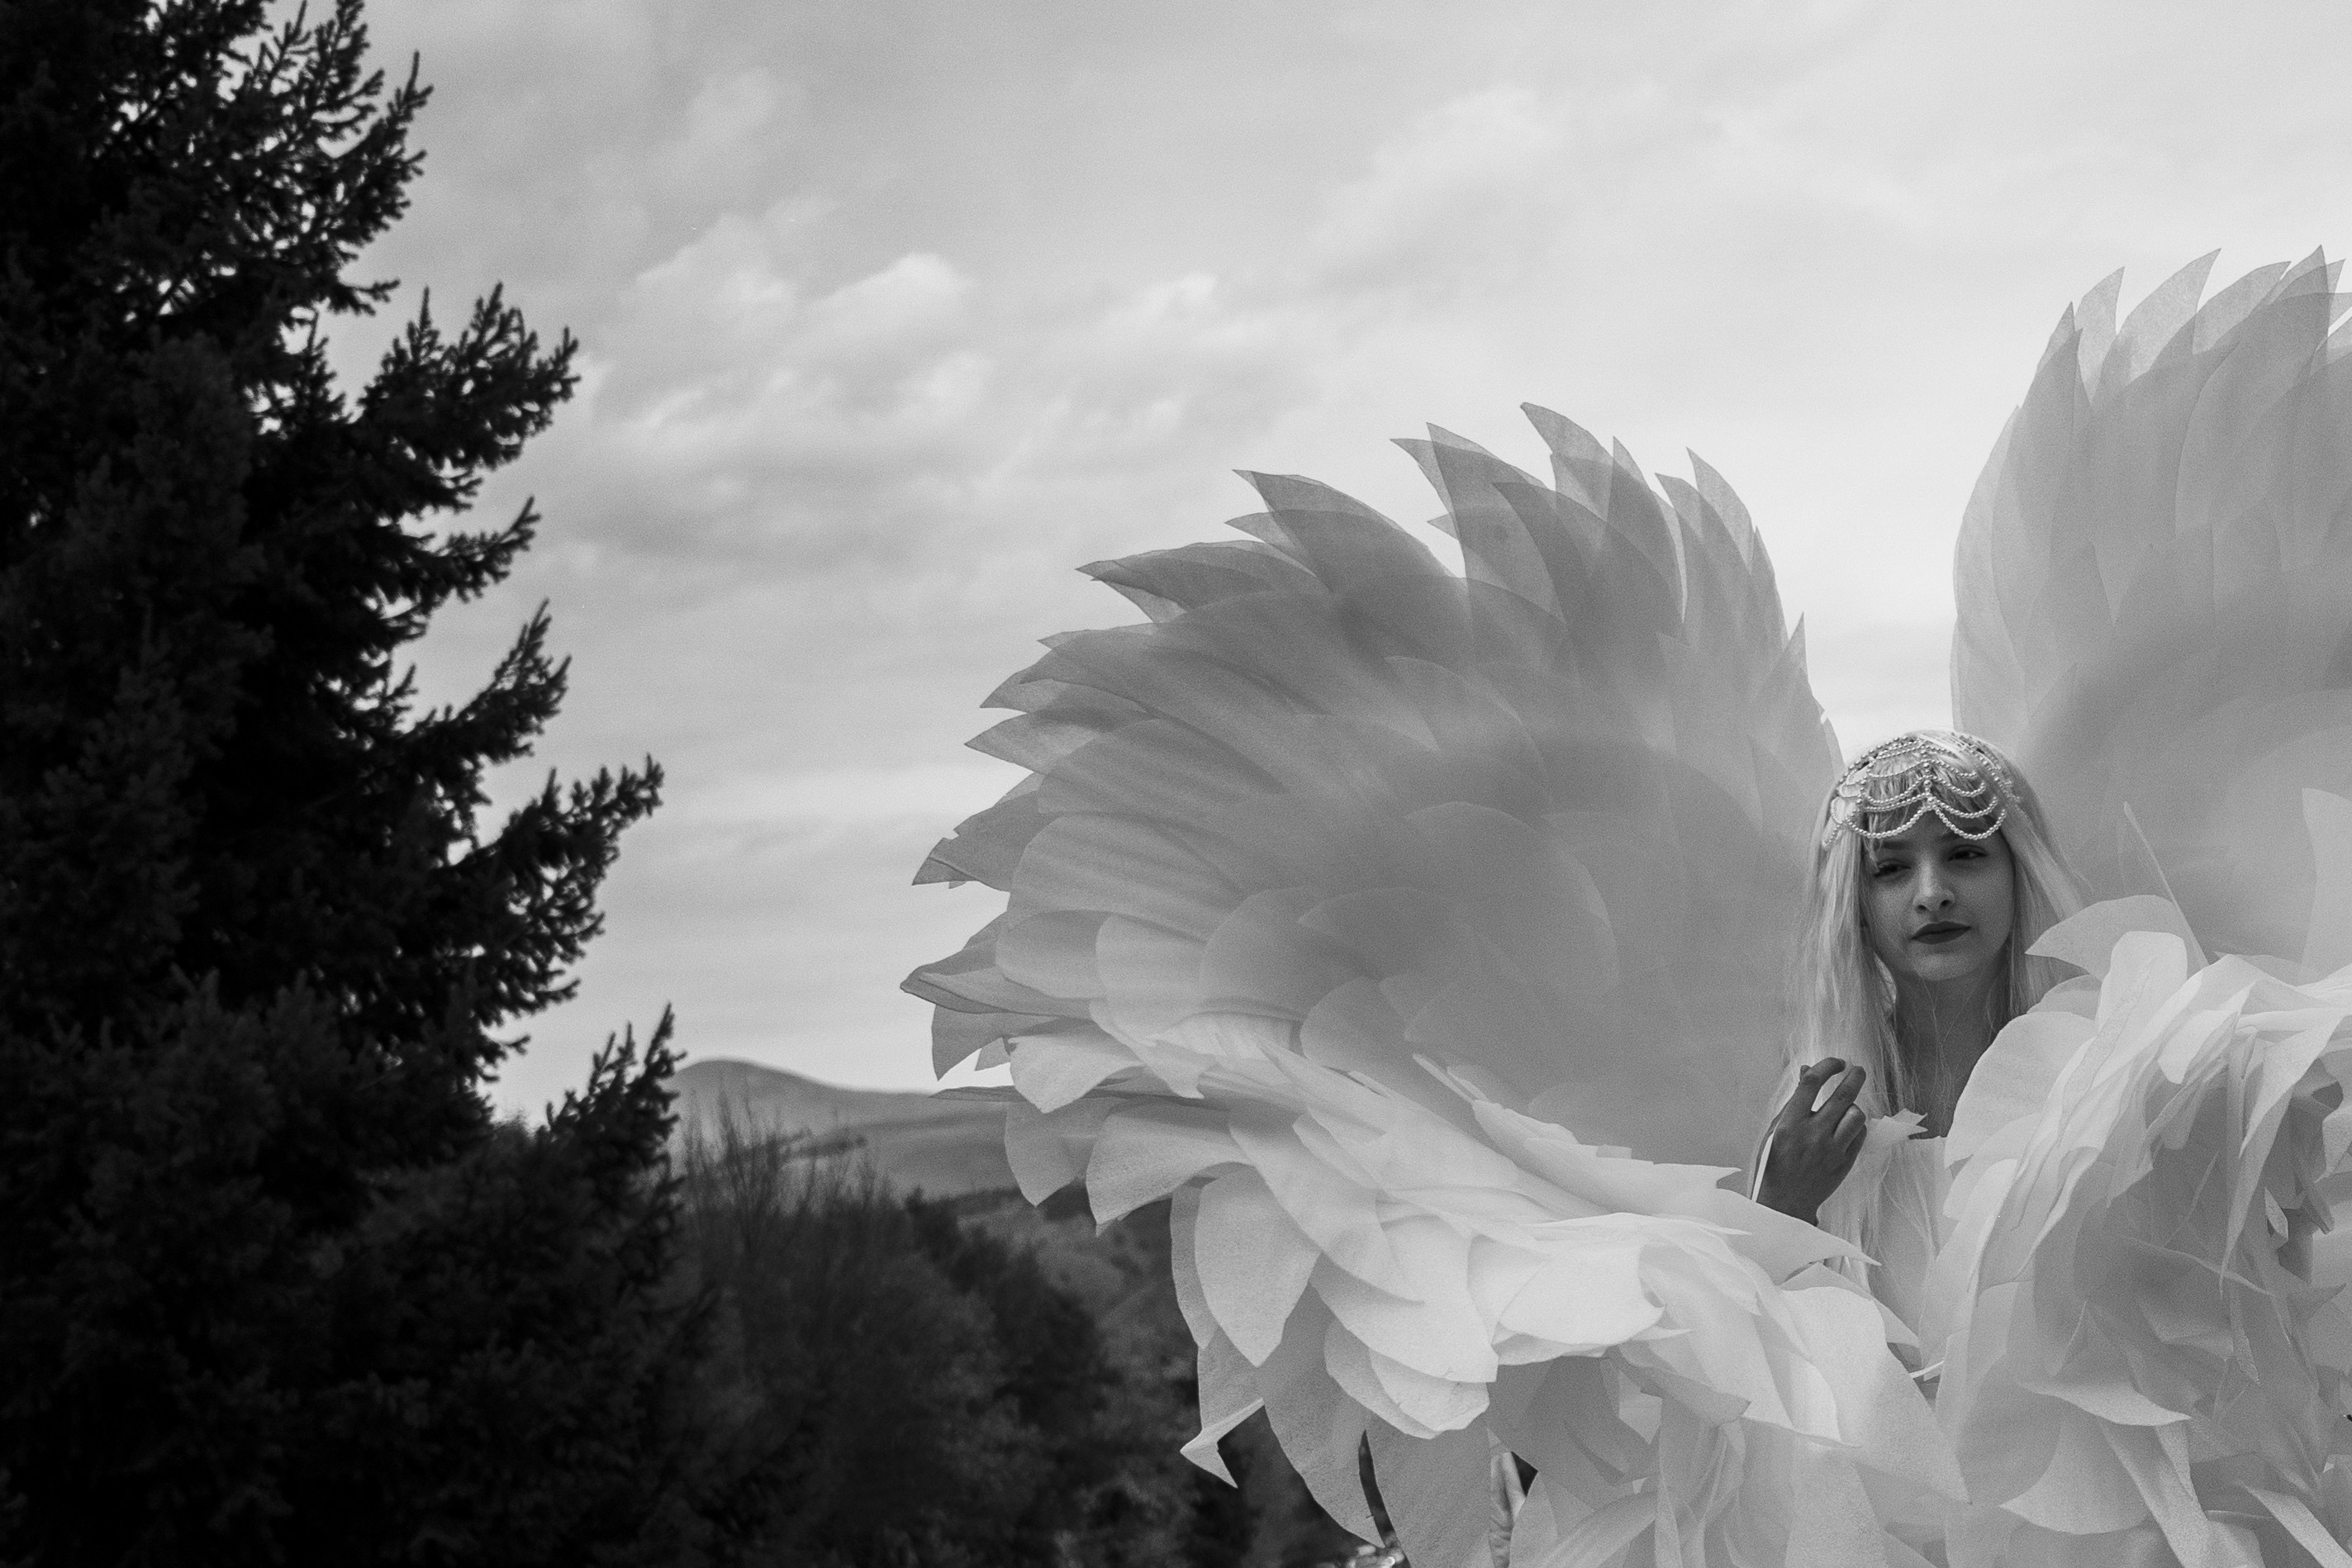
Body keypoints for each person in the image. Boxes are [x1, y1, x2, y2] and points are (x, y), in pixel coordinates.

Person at [1752, 730, 2082, 1341]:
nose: (1932, 895)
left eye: (1964, 853)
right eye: (1892, 868)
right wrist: (1781, 1209)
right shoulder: (1815, 1115)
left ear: (2019, 871)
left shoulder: (2104, 1074)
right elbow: (1775, 1367)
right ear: (1853, 904)